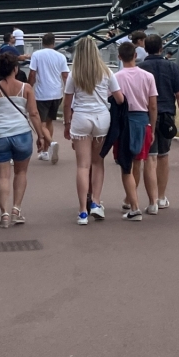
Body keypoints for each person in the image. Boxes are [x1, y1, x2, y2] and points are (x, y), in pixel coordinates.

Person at [0, 51, 45, 228]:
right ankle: (16, 209)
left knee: (3, 176)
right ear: (16, 69)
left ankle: (4, 214)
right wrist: (41, 135)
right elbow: (34, 113)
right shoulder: (26, 88)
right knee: (21, 173)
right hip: (22, 134)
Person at [63, 36, 123, 224]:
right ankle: (96, 202)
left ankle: (82, 211)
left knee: (83, 166)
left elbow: (67, 102)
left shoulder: (75, 74)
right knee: (98, 163)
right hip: (101, 118)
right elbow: (119, 98)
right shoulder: (106, 71)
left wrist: (67, 124)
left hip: (81, 118)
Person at [138, 34, 179, 212]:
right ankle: (161, 197)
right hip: (167, 115)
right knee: (163, 156)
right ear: (161, 48)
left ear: (145, 48)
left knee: (149, 158)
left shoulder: (140, 68)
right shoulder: (172, 67)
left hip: (145, 116)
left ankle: (151, 202)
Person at [114, 41, 157, 221]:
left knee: (126, 165)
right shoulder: (148, 76)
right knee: (138, 161)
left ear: (119, 57)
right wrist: (152, 127)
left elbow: (114, 102)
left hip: (124, 121)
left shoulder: (116, 77)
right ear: (136, 55)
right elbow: (153, 105)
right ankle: (135, 201)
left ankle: (134, 205)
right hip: (143, 120)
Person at [28, 33, 68, 163]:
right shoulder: (61, 56)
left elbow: (33, 73)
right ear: (54, 43)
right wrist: (68, 91)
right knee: (50, 122)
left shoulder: (37, 55)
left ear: (42, 42)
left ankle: (51, 143)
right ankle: (45, 152)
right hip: (57, 93)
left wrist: (28, 87)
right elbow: (65, 76)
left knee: (41, 123)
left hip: (42, 93)